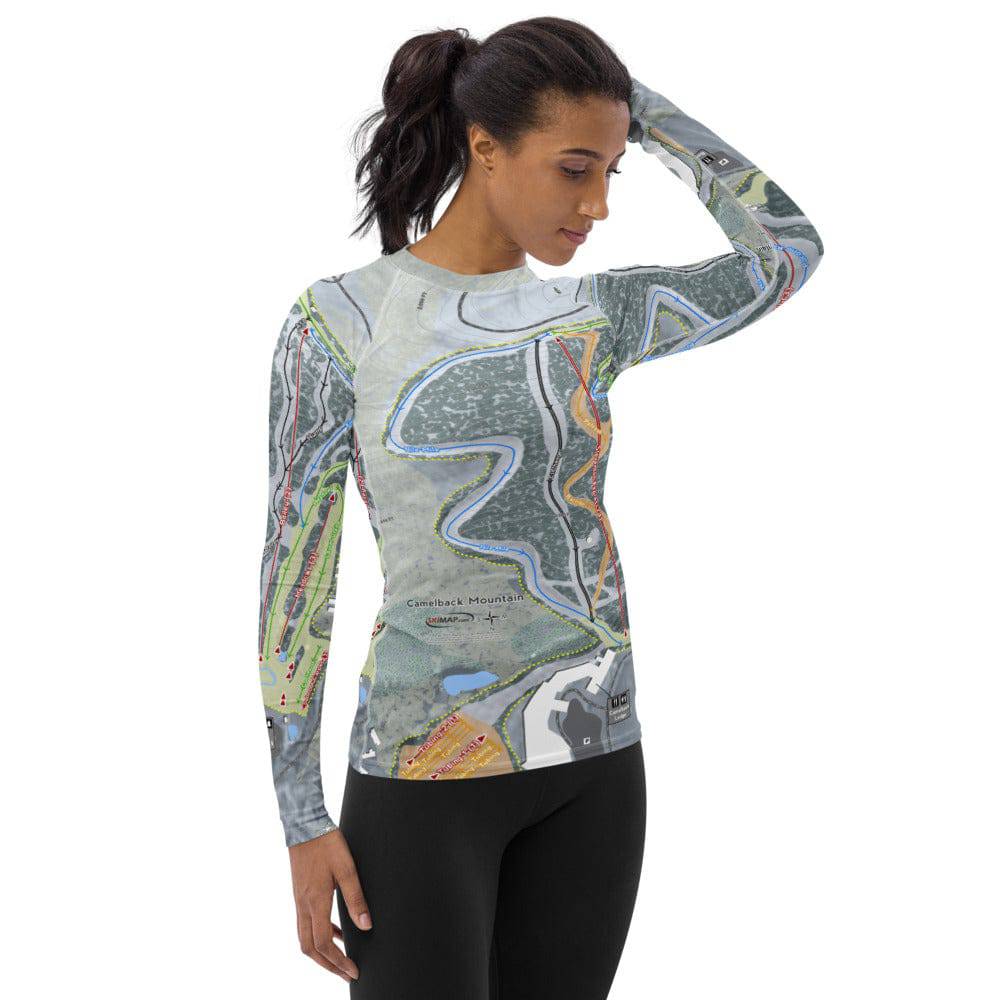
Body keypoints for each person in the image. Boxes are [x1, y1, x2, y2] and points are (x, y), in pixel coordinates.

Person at [257, 16, 823, 999]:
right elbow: (295, 582)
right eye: (573, 168)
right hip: (420, 779)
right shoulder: (342, 322)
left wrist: (642, 112)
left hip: (594, 767)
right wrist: (302, 818)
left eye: (611, 170)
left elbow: (787, 250)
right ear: (485, 145)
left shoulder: (594, 315)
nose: (598, 204)